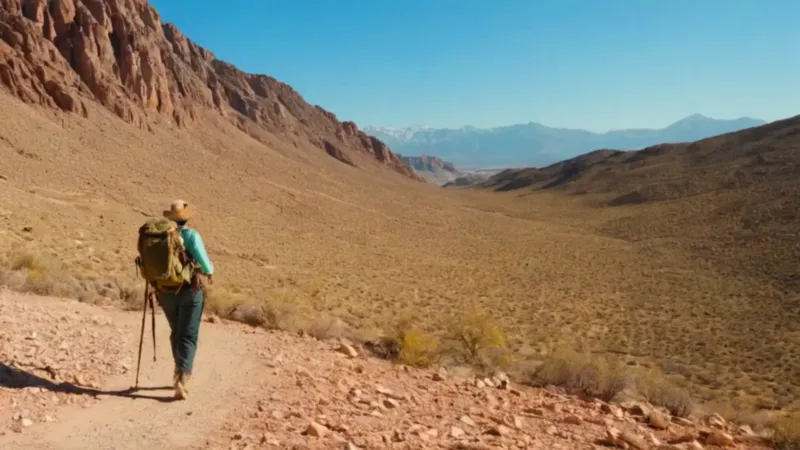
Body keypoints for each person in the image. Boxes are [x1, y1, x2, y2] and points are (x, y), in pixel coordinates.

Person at [157, 199, 214, 400]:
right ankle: (182, 378)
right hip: (190, 290)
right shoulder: (191, 235)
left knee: (176, 331)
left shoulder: (161, 236)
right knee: (188, 334)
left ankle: (178, 368)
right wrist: (209, 271)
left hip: (165, 291)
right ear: (187, 217)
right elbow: (207, 266)